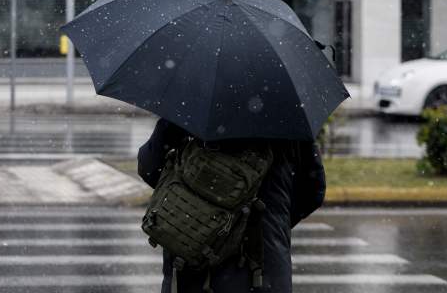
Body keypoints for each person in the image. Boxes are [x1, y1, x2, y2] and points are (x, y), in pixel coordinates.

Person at [138, 118, 326, 293]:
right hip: (264, 268)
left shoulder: (193, 105)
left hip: (194, 253)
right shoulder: (287, 115)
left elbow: (149, 168)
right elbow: (312, 191)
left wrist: (199, 202)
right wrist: (272, 222)